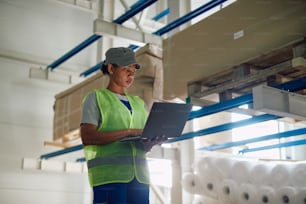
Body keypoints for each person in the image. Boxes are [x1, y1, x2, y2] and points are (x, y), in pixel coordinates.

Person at [80, 47, 167, 204]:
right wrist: (128, 132)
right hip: (109, 179)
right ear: (111, 68)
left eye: (133, 70)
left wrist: (151, 142)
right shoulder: (96, 98)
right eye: (126, 69)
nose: (131, 74)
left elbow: (141, 145)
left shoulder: (139, 103)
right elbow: (87, 136)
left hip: (140, 178)